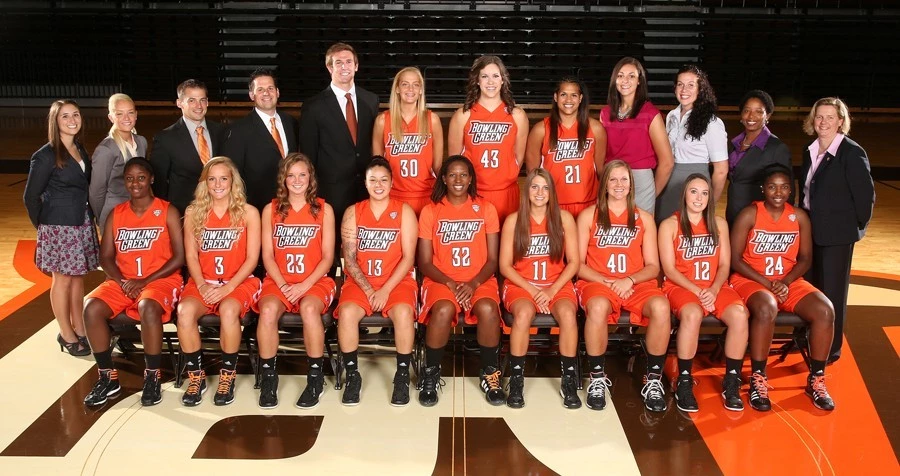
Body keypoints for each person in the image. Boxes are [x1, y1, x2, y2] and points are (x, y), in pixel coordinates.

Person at [730, 165, 836, 411]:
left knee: (826, 310)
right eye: (772, 187)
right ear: (763, 189)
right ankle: (758, 379)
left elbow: (806, 259)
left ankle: (816, 380)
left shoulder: (798, 217)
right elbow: (735, 259)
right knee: (766, 308)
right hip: (751, 280)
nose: (778, 192)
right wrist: (769, 284)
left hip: (787, 281)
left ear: (791, 190)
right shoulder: (750, 214)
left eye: (784, 187)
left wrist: (785, 282)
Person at [82, 158, 185, 407]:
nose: (135, 183)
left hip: (160, 280)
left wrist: (144, 281)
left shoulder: (167, 211)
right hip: (125, 281)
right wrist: (122, 281)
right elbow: (105, 257)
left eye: (141, 177)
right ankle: (107, 376)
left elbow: (179, 257)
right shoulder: (116, 214)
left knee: (147, 307)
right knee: (91, 308)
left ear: (151, 179)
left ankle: (152, 377)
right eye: (129, 178)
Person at [576, 160, 671, 411]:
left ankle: (653, 379)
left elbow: (653, 266)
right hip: (598, 282)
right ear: (605, 184)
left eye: (624, 179)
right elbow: (578, 265)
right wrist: (607, 281)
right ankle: (597, 378)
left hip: (634, 283)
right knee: (597, 307)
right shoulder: (588, 216)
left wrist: (629, 280)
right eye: (613, 179)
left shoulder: (644, 219)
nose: (619, 184)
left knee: (661, 307)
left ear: (631, 184)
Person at [417, 155, 506, 407]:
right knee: (443, 310)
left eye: (463, 174)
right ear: (444, 179)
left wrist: (473, 284)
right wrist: (450, 284)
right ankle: (431, 373)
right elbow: (425, 262)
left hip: (479, 279)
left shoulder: (486, 208)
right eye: (452, 175)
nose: (458, 179)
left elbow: (493, 260)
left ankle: (490, 373)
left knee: (488, 309)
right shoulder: (431, 211)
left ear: (471, 179)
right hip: (441, 280)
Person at [658, 173, 748, 412]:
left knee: (740, 315)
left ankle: (732, 380)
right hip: (681, 286)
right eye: (694, 192)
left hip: (714, 286)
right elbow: (669, 269)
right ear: (684, 195)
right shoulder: (669, 225)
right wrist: (699, 291)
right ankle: (684, 380)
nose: (699, 198)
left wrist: (714, 289)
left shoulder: (719, 224)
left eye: (704, 193)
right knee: (692, 314)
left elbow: (725, 265)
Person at [177, 157, 261, 407]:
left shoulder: (249, 212)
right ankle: (196, 377)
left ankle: (227, 376)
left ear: (233, 181)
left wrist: (228, 288)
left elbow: (252, 258)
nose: (217, 184)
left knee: (228, 310)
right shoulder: (193, 212)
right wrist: (202, 285)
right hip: (203, 281)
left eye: (223, 178)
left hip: (239, 282)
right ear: (204, 183)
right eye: (212, 179)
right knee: (184, 312)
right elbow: (191, 256)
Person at [255, 153, 335, 409]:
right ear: (284, 179)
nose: (297, 180)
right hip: (279, 281)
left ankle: (315, 378)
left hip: (315, 281)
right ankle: (269, 378)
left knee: (309, 308)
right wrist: (283, 285)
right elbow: (267, 256)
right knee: (268, 310)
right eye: (291, 175)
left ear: (310, 178)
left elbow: (328, 257)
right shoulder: (270, 210)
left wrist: (303, 286)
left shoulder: (324, 209)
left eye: (302, 175)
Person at [335, 157, 418, 406]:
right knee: (347, 313)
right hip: (361, 282)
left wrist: (385, 290)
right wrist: (371, 289)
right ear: (365, 183)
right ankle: (353, 375)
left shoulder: (404, 212)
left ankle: (401, 376)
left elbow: (408, 257)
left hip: (397, 281)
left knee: (403, 313)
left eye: (383, 180)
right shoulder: (353, 212)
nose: (378, 185)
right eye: (373, 180)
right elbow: (349, 259)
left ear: (392, 183)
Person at [798, 97, 875, 363]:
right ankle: (807, 337)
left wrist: (853, 227)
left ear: (841, 121)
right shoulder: (809, 149)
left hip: (837, 235)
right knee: (810, 289)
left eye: (830, 117)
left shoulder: (851, 152)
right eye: (819, 116)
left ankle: (830, 348)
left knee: (833, 293)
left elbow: (865, 197)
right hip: (811, 230)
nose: (823, 122)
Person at [23, 99, 99, 357]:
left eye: (75, 114)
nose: (72, 120)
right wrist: (45, 226)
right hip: (59, 226)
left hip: (80, 222)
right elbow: (30, 197)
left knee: (78, 278)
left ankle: (80, 328)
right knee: (63, 280)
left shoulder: (79, 148)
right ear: (55, 122)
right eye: (65, 116)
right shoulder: (45, 155)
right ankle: (66, 334)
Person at [499, 169, 580, 409]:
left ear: (552, 192)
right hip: (522, 285)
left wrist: (551, 291)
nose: (540, 192)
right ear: (527, 191)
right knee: (524, 313)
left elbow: (574, 262)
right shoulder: (514, 220)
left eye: (545, 188)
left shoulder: (564, 219)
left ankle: (568, 380)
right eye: (534, 187)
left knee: (568, 314)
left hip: (556, 284)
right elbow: (504, 266)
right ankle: (516, 380)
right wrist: (534, 291)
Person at [299, 43, 380, 263]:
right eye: (338, 62)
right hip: (331, 190)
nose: (344, 66)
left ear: (356, 66)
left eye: (348, 62)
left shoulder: (371, 100)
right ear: (329, 68)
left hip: (366, 188)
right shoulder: (313, 106)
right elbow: (308, 155)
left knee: (365, 244)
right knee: (332, 248)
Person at [447, 55, 529, 223]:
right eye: (484, 76)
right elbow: (454, 161)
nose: (490, 81)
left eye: (495, 76)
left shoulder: (517, 115)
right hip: (474, 191)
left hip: (506, 192)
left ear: (503, 80)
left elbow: (518, 157)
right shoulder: (463, 115)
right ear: (477, 80)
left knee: (507, 238)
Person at [599, 57, 674, 215]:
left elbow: (667, 162)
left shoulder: (650, 114)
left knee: (640, 227)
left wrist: (651, 193)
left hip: (640, 181)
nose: (625, 80)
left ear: (640, 81)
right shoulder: (605, 113)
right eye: (620, 75)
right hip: (612, 179)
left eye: (631, 76)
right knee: (612, 227)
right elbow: (600, 156)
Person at [525, 77, 606, 217]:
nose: (568, 100)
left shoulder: (596, 129)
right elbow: (532, 174)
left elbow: (600, 171)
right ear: (556, 97)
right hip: (554, 205)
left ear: (580, 98)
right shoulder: (540, 130)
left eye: (574, 95)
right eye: (563, 94)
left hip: (589, 204)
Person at [657, 65, 727, 223]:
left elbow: (721, 170)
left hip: (694, 186)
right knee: (665, 227)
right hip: (668, 184)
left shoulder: (712, 122)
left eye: (690, 85)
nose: (684, 90)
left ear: (700, 89)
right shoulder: (671, 116)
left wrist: (710, 204)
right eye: (680, 84)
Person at [223, 68, 299, 213]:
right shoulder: (238, 130)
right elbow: (234, 173)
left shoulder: (291, 122)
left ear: (277, 92)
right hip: (257, 206)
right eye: (260, 89)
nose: (266, 93)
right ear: (252, 95)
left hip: (291, 204)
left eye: (270, 88)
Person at [372, 66, 444, 215]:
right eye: (405, 84)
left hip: (426, 195)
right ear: (397, 89)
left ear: (421, 90)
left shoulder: (432, 120)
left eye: (416, 85)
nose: (410, 89)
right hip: (393, 195)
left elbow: (437, 167)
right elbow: (377, 165)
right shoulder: (382, 121)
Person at [150, 79, 228, 215]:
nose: (199, 106)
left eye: (202, 100)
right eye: (192, 100)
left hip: (220, 211)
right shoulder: (165, 138)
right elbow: (159, 184)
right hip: (183, 213)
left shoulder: (222, 131)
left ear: (207, 102)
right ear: (179, 103)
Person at [725, 90, 791, 226]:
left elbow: (788, 191)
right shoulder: (734, 144)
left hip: (759, 219)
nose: (751, 116)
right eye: (747, 110)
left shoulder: (777, 148)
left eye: (759, 111)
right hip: (733, 214)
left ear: (768, 116)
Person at [89, 93, 148, 229]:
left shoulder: (141, 141)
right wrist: (102, 218)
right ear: (111, 117)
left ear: (136, 115)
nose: (126, 118)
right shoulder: (106, 149)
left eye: (130, 113)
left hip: (139, 212)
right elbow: (96, 191)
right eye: (119, 114)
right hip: (114, 213)